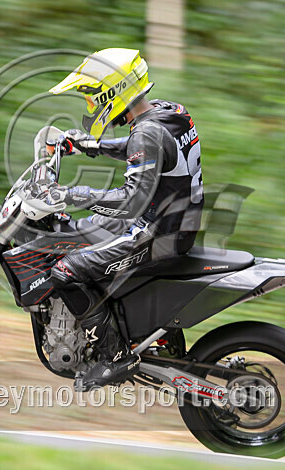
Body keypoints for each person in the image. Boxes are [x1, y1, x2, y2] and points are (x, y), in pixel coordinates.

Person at [44, 48, 204, 390]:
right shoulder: (167, 111)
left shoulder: (145, 134)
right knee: (87, 236)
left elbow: (132, 200)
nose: (90, 107)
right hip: (178, 224)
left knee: (66, 271)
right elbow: (141, 147)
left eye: (92, 99)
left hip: (157, 233)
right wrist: (89, 145)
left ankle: (115, 356)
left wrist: (71, 195)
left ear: (112, 93)